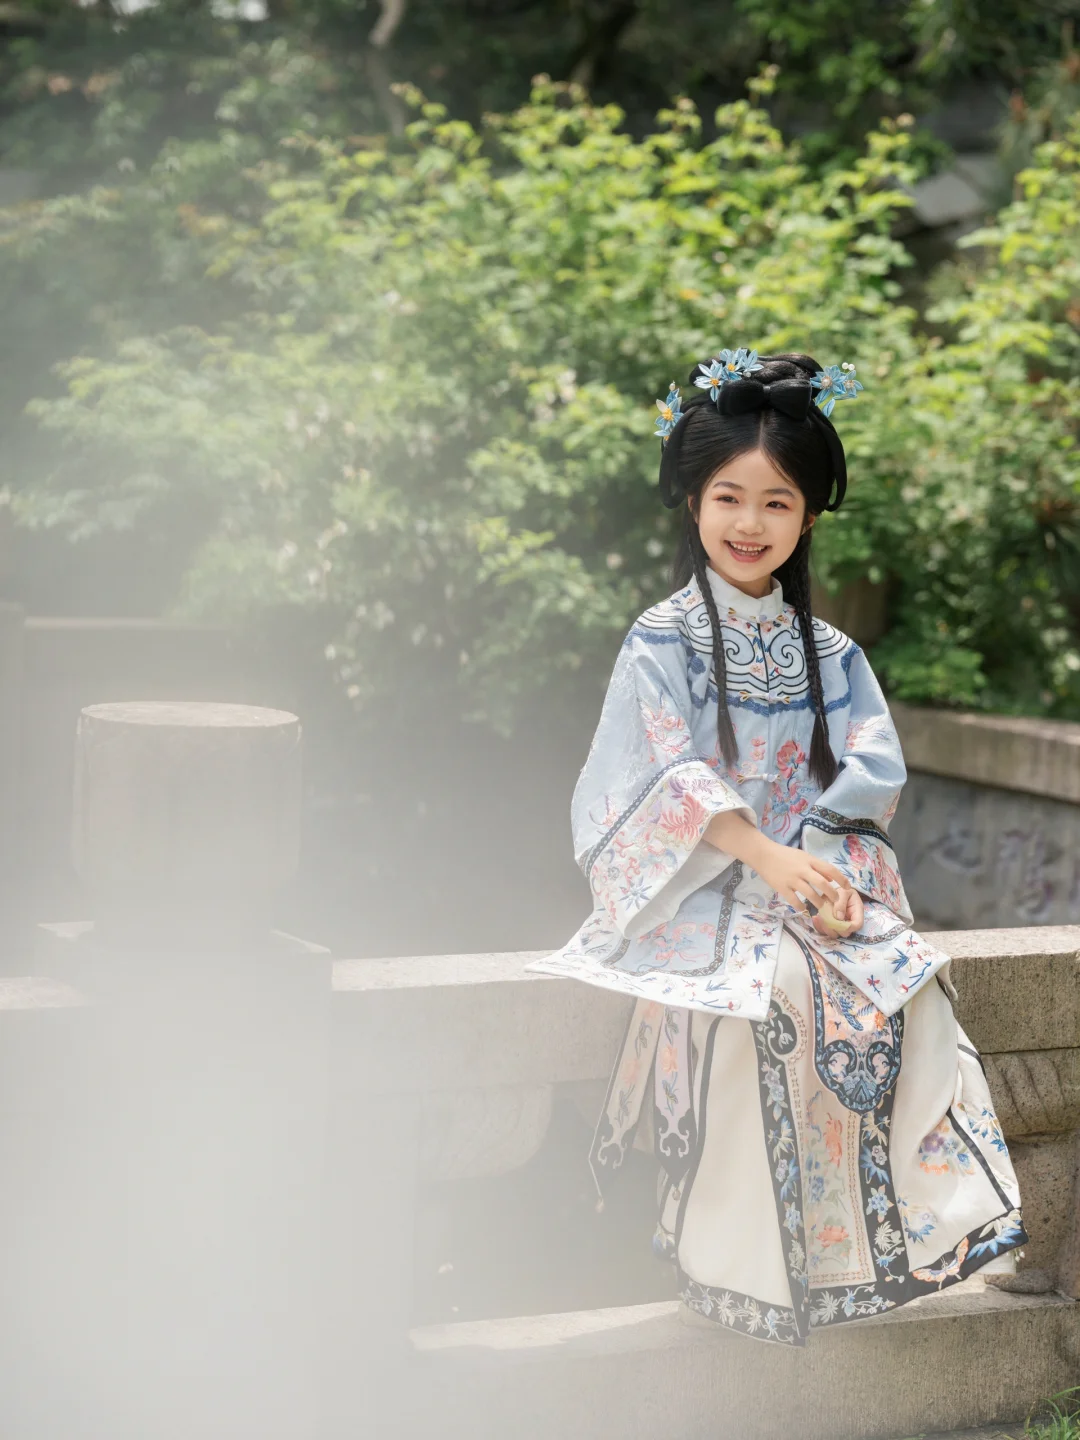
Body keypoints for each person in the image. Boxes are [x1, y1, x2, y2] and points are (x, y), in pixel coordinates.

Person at [528, 349, 1026, 1345]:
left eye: (777, 503)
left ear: (805, 520)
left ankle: (898, 1241)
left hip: (815, 880)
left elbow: (868, 774)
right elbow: (656, 774)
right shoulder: (660, 641)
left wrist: (829, 872)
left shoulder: (831, 654)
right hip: (703, 887)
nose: (749, 524)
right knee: (775, 1001)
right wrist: (763, 858)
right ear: (694, 505)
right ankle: (740, 1268)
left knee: (905, 978)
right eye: (728, 497)